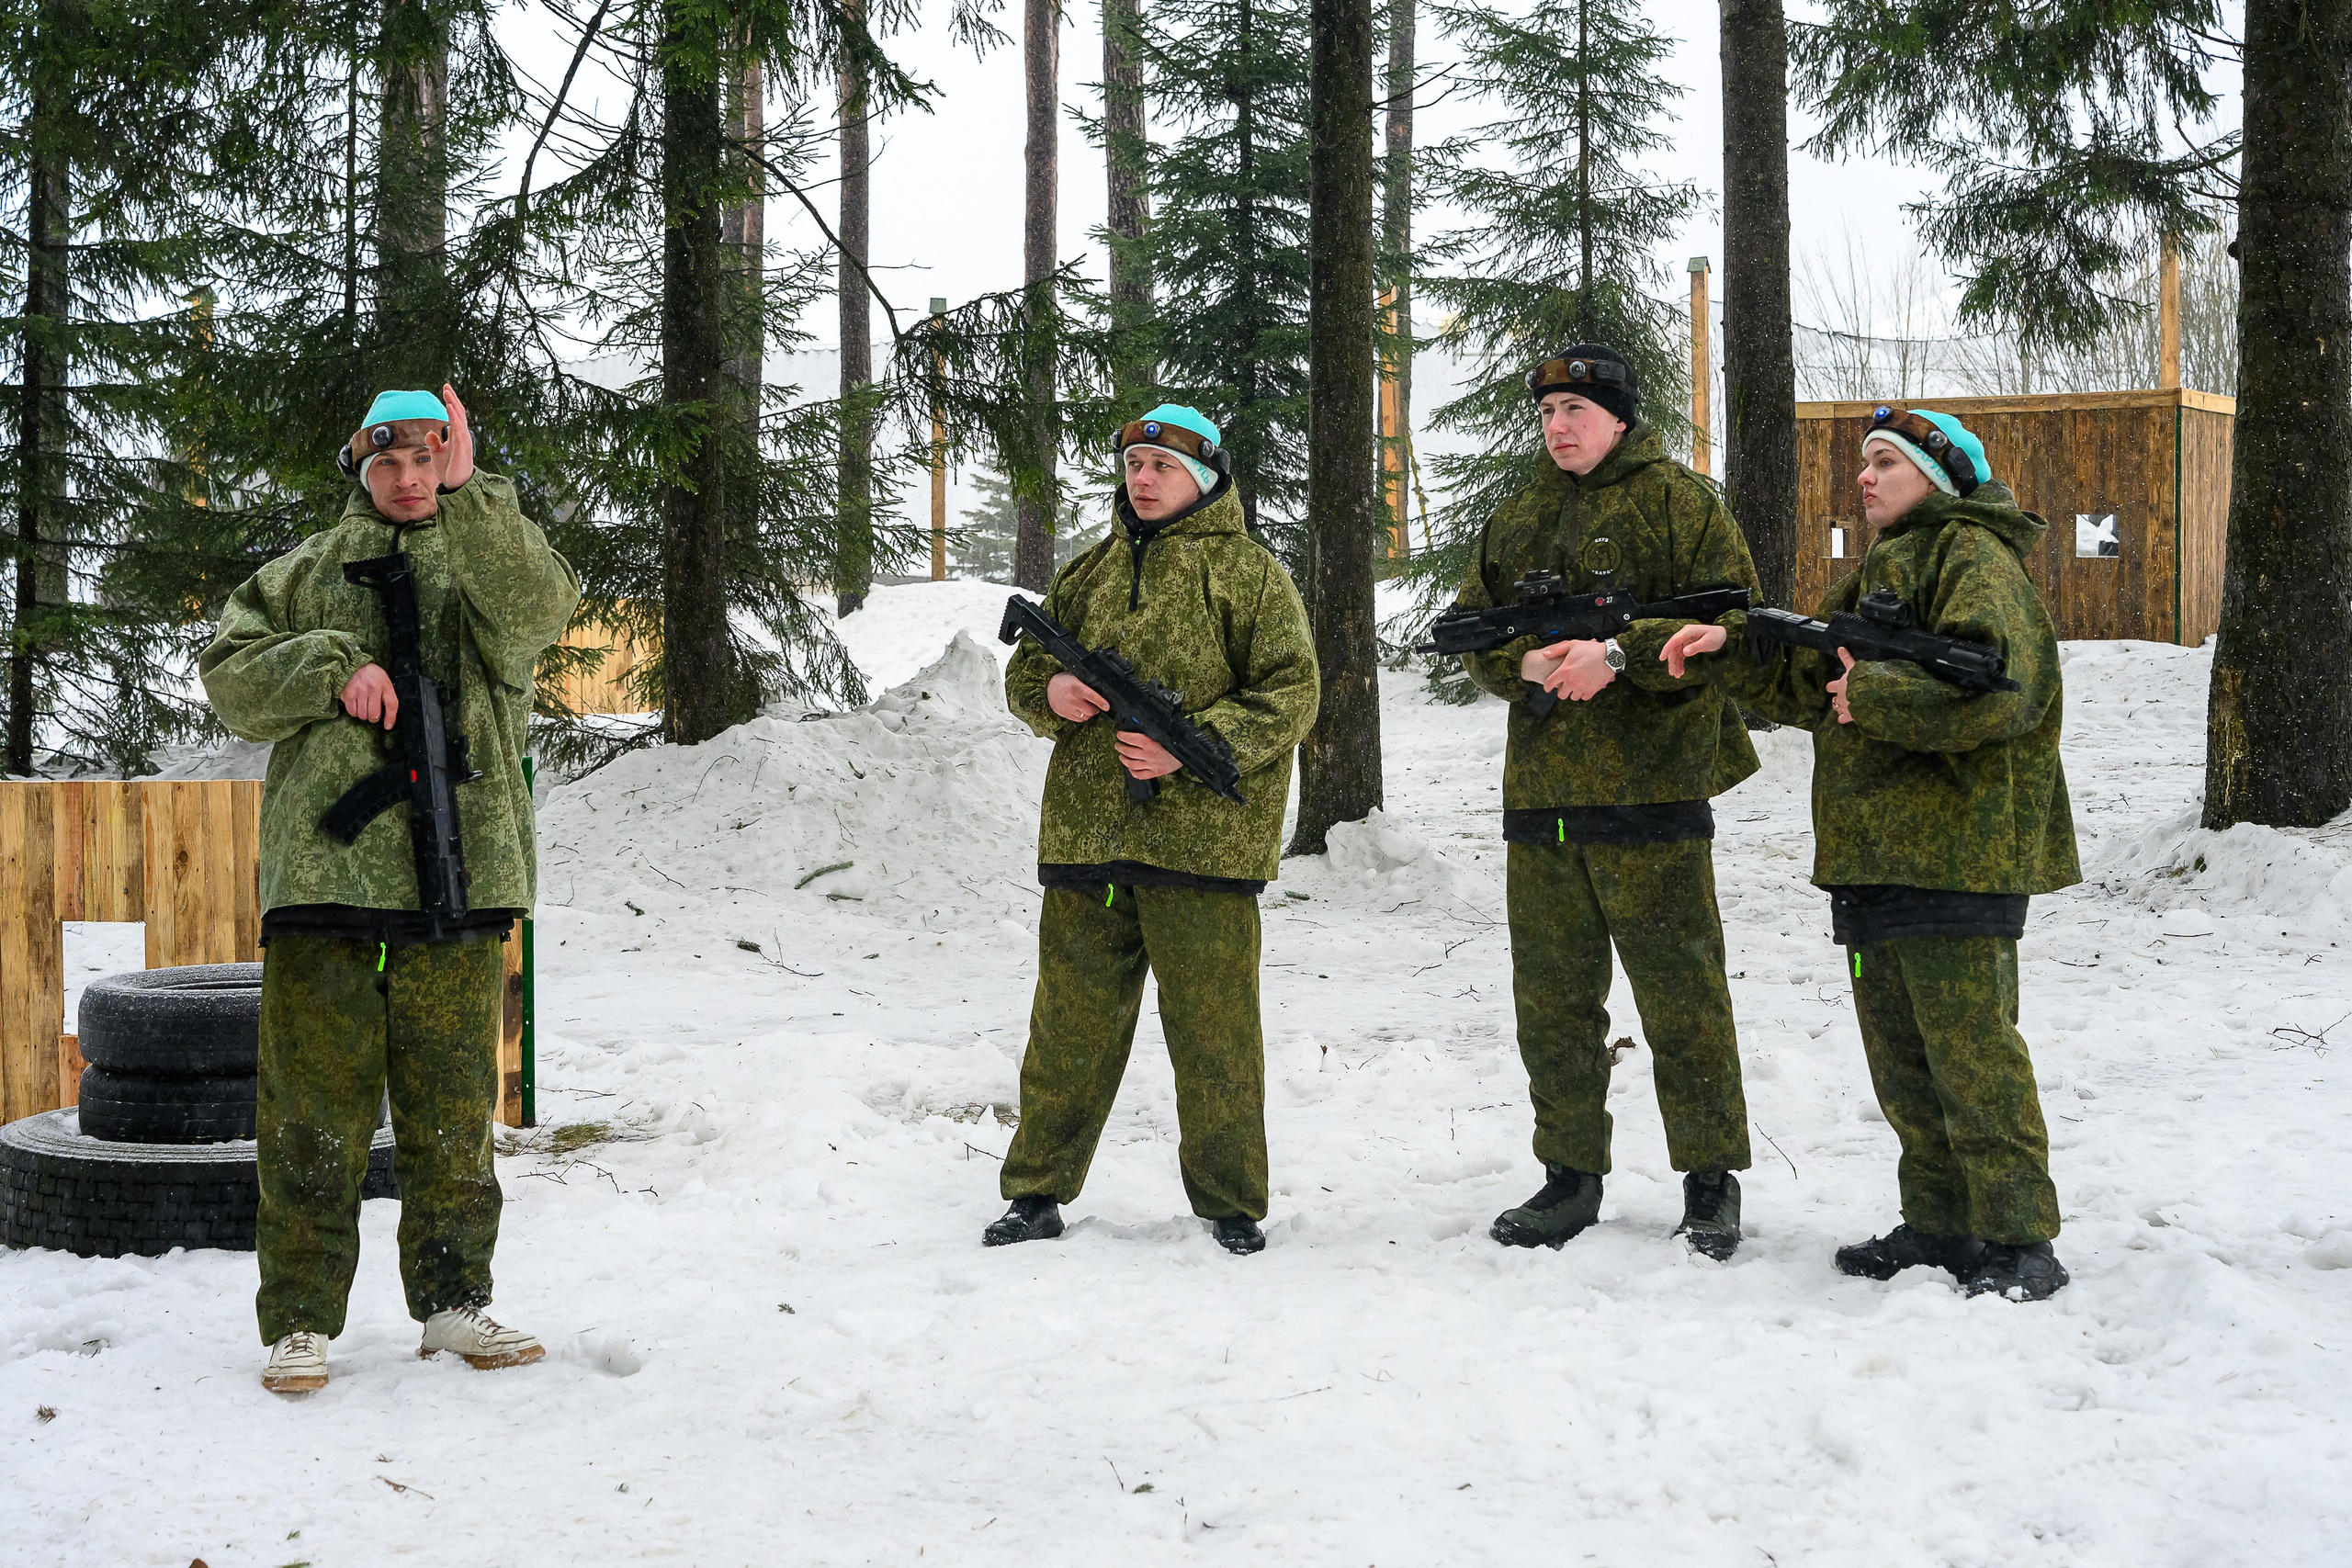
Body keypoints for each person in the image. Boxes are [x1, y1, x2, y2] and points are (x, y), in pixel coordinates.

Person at [200, 387, 581, 1391]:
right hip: (329, 877)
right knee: (311, 1111)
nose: (408, 479)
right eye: (389, 463)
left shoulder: (488, 551)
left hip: (459, 873)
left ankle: (455, 1306)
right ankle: (300, 1319)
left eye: (427, 459)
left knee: (453, 1112)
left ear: (449, 456)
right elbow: (229, 674)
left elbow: (544, 608)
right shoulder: (306, 571)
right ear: (359, 468)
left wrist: (478, 494)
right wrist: (331, 666)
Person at [1664, 403, 2078, 1300]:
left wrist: (1876, 699)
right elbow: (1820, 682)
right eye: (1863, 462)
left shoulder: (1970, 557)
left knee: (1971, 1056)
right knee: (1902, 1062)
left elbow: (2001, 686)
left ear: (1936, 478)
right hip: (1879, 856)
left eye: (1884, 462)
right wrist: (1726, 648)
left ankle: (2019, 1240)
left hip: (1958, 853)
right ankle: (1939, 1223)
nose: (1864, 476)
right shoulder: (1886, 566)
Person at [1452, 344, 1762, 1259]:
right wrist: (1523, 664)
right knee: (1550, 1001)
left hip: (1653, 790)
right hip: (1543, 796)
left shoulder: (1680, 504)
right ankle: (1569, 1175)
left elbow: (1735, 624)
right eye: (1546, 413)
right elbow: (1476, 628)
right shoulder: (1516, 515)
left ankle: (1709, 1179)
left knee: (1682, 996)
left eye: (1575, 411)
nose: (1556, 427)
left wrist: (1620, 652)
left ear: (1618, 417)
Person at [985, 405, 1318, 1256]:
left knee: (1214, 1034)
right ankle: (1035, 1191)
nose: (1142, 477)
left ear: (1202, 477)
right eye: (1134, 462)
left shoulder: (1249, 574)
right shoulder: (1088, 571)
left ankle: (1230, 1203)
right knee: (1068, 1028)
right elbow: (1027, 669)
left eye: (1161, 466)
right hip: (1088, 839)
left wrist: (1193, 747)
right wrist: (1048, 695)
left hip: (1204, 847)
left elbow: (1292, 693)